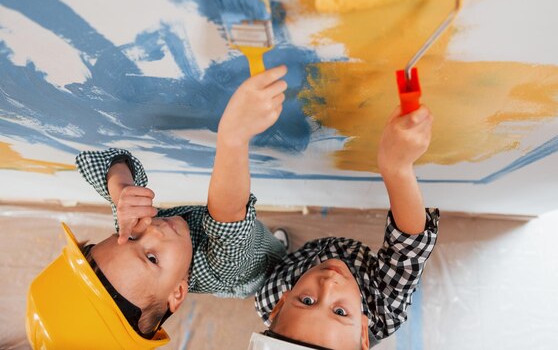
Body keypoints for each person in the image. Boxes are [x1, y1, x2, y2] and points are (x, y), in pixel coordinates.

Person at [25, 66, 290, 350]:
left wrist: (121, 189)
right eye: (151, 258)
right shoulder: (222, 269)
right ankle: (282, 254)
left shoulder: (130, 231)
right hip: (254, 270)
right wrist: (233, 138)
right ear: (178, 292)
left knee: (255, 237)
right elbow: (229, 216)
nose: (151, 229)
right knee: (277, 261)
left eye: (130, 238)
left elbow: (104, 160)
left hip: (247, 240)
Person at [253, 105, 439, 350]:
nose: (329, 283)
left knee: (273, 259)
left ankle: (281, 250)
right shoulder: (384, 312)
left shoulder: (268, 296)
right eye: (340, 311)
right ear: (363, 332)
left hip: (300, 261)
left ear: (280, 305)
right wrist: (398, 169)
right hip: (363, 265)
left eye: (307, 300)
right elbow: (409, 246)